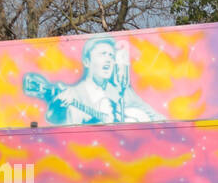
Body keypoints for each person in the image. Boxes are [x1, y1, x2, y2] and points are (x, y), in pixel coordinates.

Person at [31, 35, 161, 124]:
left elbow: (156, 117)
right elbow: (53, 118)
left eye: (111, 55)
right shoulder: (75, 93)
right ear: (87, 61)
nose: (108, 59)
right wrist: (58, 106)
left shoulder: (122, 90)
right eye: (102, 54)